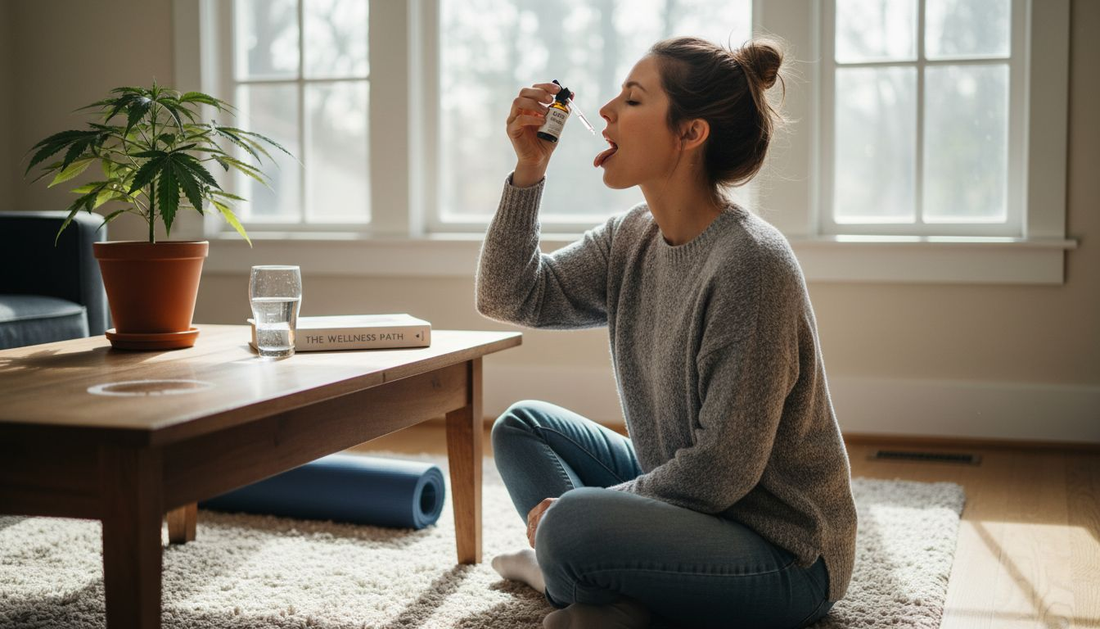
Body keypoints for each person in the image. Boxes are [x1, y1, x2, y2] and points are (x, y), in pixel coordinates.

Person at [476, 36, 857, 629]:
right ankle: (605, 587)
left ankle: (590, 581)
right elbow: (508, 294)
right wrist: (529, 170)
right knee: (522, 427)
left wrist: (583, 513)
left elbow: (723, 470)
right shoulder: (632, 236)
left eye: (631, 100)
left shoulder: (751, 263)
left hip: (783, 556)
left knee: (572, 524)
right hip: (688, 508)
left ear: (690, 133)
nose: (603, 112)